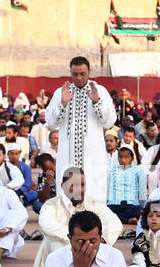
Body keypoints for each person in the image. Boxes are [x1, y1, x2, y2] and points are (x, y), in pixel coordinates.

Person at [45, 56, 117, 206]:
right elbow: (50, 122)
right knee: (67, 197)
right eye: (75, 74)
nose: (79, 78)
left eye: (83, 73)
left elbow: (110, 121)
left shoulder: (100, 91)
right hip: (67, 157)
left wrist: (97, 102)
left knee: (94, 194)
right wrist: (63, 104)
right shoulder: (61, 92)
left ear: (90, 71)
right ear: (70, 73)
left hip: (93, 156)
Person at [32, 167, 122, 267]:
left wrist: (101, 239)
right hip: (63, 247)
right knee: (55, 242)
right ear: (63, 186)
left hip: (90, 247)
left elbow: (116, 223)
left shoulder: (92, 203)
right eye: (74, 185)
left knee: (109, 249)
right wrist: (79, 239)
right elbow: (46, 225)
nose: (79, 189)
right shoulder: (52, 204)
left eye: (82, 185)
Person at [106, 144, 146, 223]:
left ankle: (119, 219)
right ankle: (127, 220)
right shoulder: (111, 169)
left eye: (126, 157)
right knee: (106, 211)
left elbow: (142, 192)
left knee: (138, 210)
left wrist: (144, 207)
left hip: (131, 206)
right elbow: (107, 188)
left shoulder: (139, 170)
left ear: (132, 158)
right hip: (113, 204)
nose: (123, 160)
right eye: (120, 157)